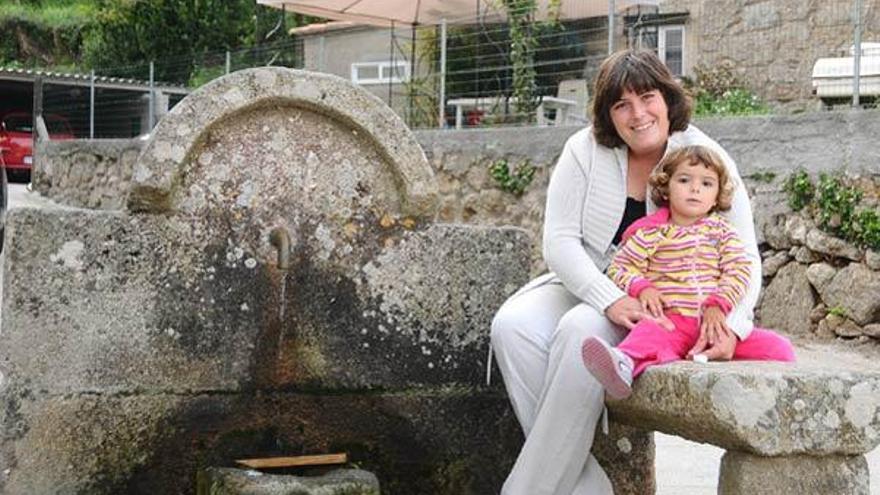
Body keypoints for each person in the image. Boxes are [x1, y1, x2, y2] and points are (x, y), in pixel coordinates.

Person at [489, 48, 764, 495]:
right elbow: (559, 242)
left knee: (581, 330)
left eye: (647, 97)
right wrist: (609, 297)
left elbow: (744, 254)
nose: (638, 114)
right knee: (512, 325)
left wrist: (732, 324)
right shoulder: (582, 150)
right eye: (621, 104)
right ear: (607, 113)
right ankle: (585, 486)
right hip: (591, 283)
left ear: (667, 99)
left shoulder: (704, 155)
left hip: (667, 303)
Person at [580, 145, 795, 400]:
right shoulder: (650, 233)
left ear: (716, 196)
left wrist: (719, 305)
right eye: (684, 180)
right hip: (672, 321)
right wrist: (642, 287)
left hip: (715, 324)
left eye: (706, 184)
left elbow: (738, 269)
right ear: (666, 188)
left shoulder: (722, 232)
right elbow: (620, 267)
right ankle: (622, 365)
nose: (695, 189)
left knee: (780, 348)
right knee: (647, 335)